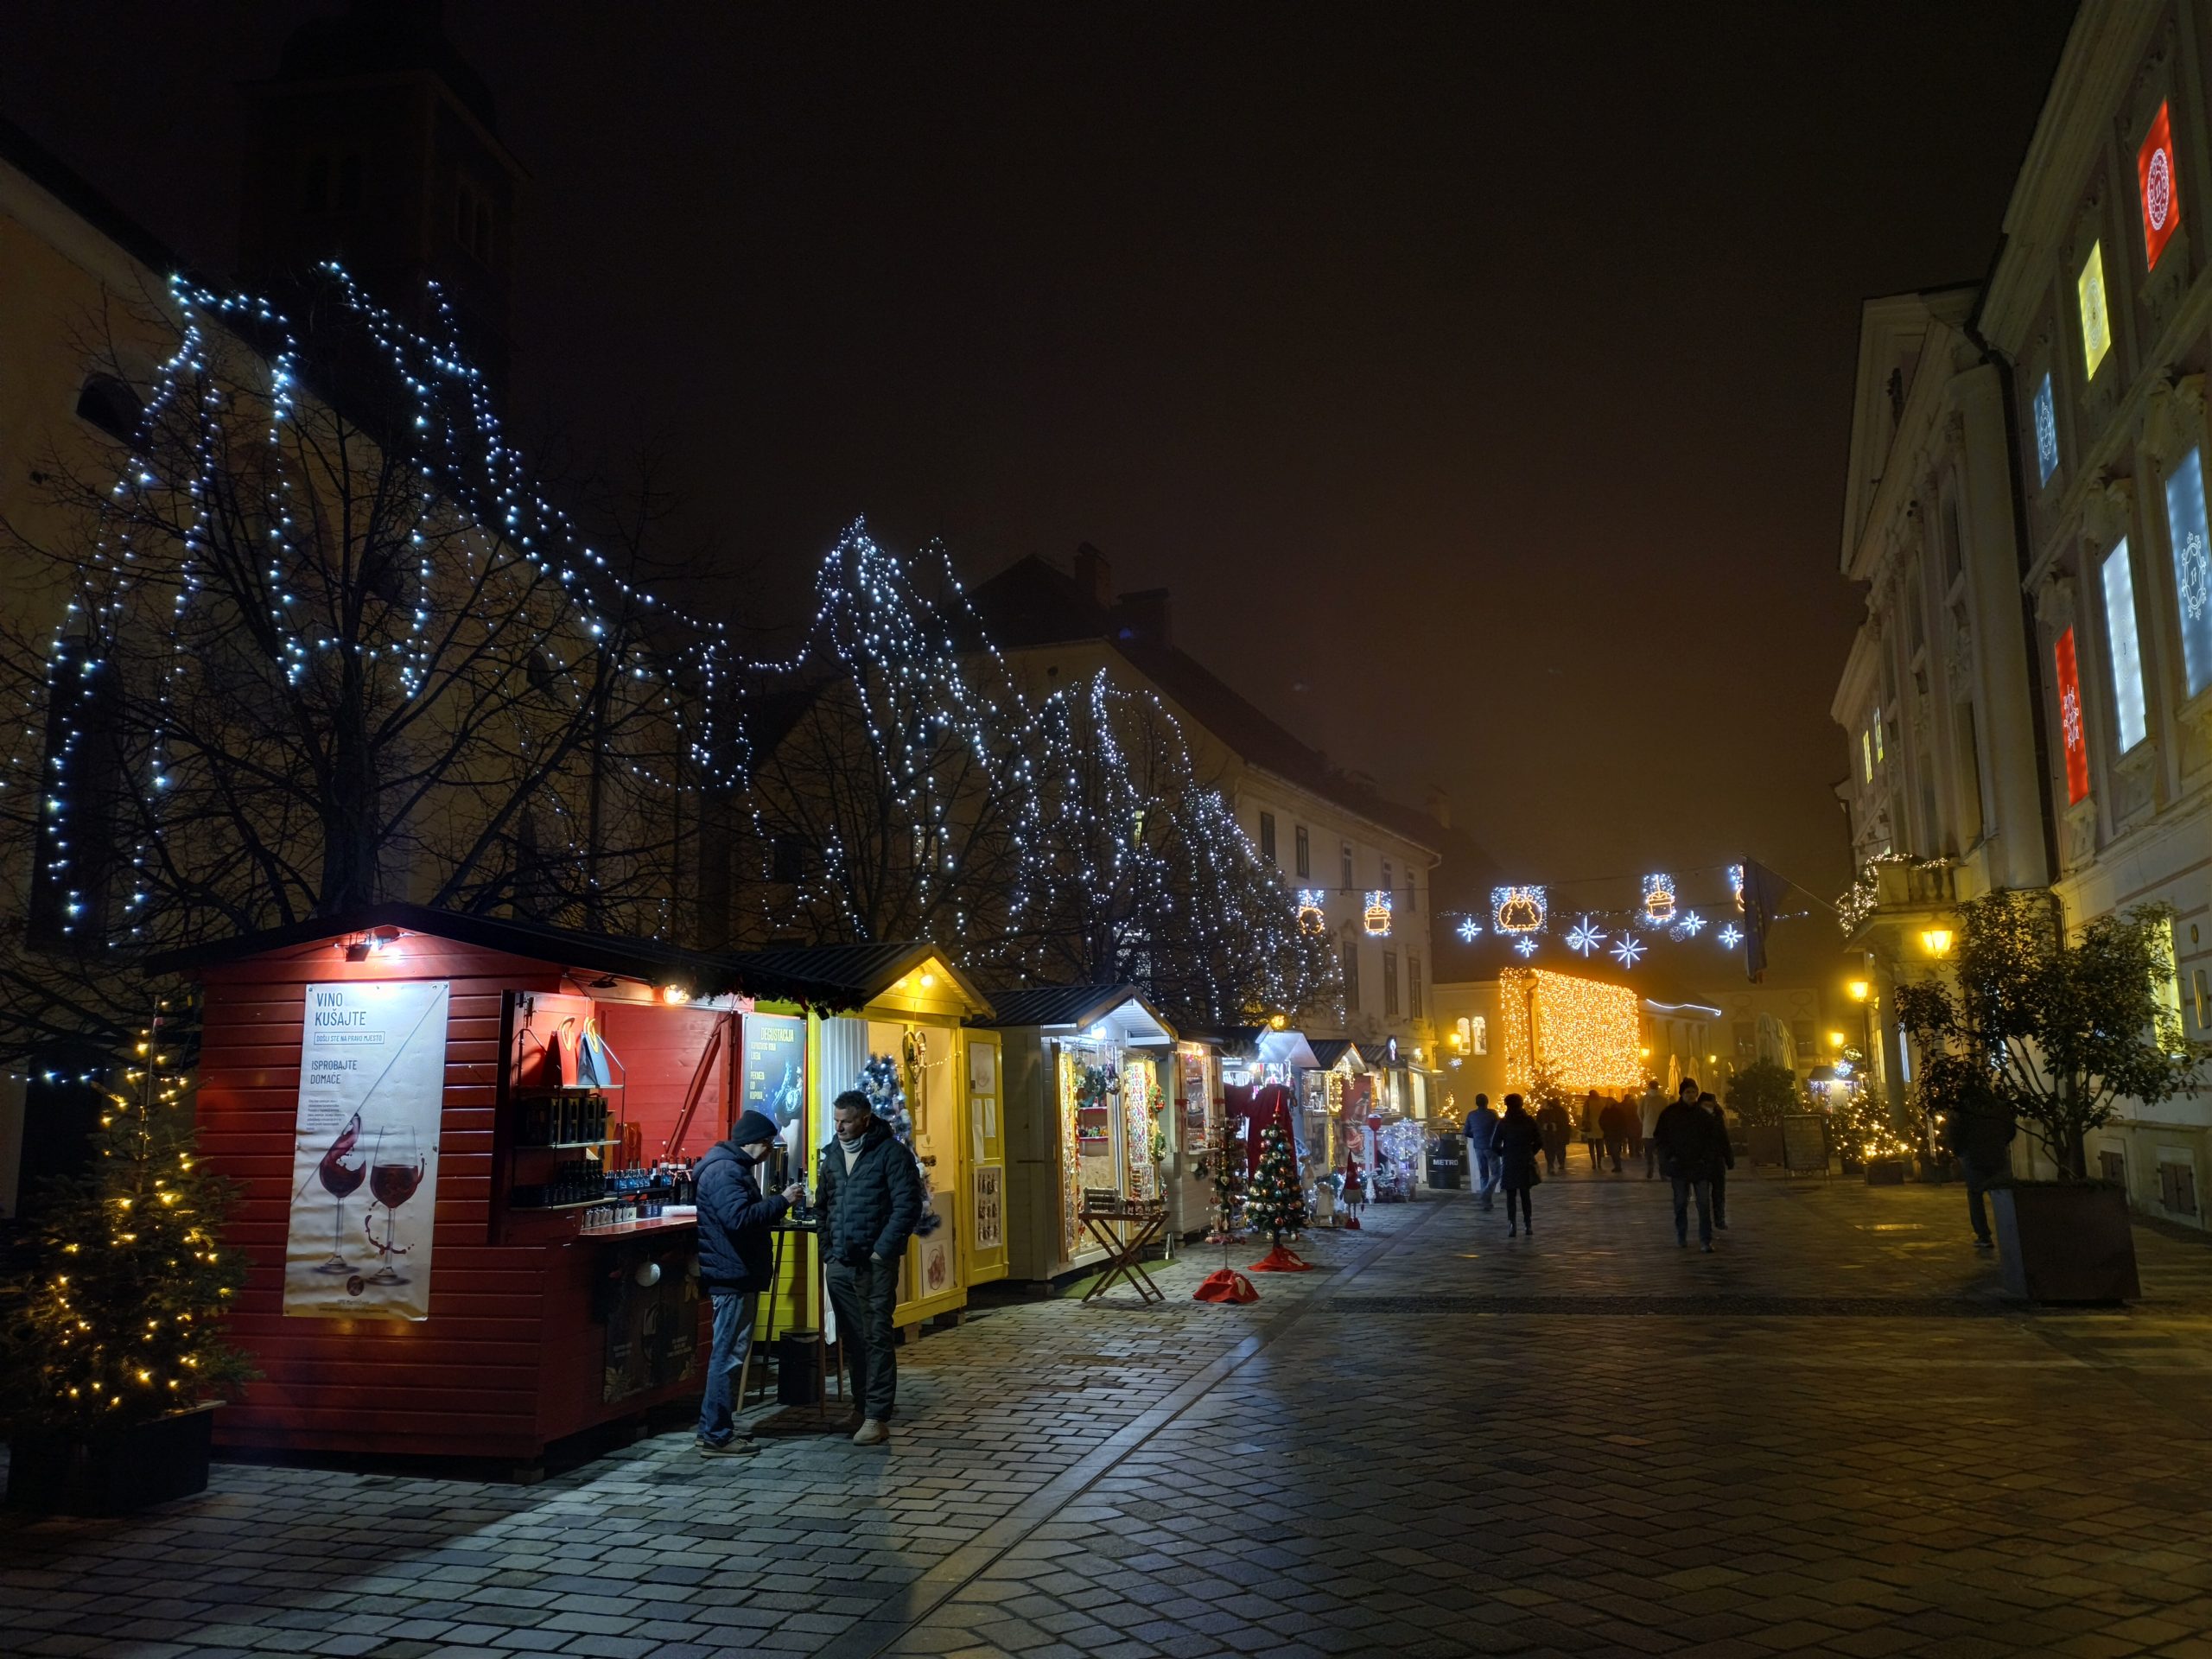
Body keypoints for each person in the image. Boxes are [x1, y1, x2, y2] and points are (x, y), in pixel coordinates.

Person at [694, 1109, 807, 1456]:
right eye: (770, 1145)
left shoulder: (725, 1167)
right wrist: (782, 1202)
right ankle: (716, 1435)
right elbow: (739, 1219)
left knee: (727, 1354)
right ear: (757, 1144)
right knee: (727, 1357)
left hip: (734, 1272)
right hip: (732, 1274)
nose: (771, 1151)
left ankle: (713, 1427)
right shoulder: (727, 1171)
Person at [817, 1088, 925, 1446]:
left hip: (873, 1264)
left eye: (846, 1121)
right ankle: (861, 1407)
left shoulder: (891, 1154)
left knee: (876, 1336)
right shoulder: (832, 1155)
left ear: (865, 1119)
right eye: (837, 1121)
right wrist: (828, 1250)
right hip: (840, 1263)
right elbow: (824, 1205)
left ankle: (877, 1415)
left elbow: (906, 1205)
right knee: (853, 1337)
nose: (840, 1128)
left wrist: (882, 1252)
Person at [1652, 1076, 1727, 1250]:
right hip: (1679, 1166)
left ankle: (1705, 1240)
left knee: (1703, 1204)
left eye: (1694, 1092)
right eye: (1688, 1092)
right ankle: (1681, 1235)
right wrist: (1669, 1157)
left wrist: (1706, 1159)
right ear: (1682, 1093)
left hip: (1700, 1166)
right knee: (1680, 1203)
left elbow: (1713, 1140)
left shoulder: (1703, 1116)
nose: (1691, 1095)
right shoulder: (1670, 1113)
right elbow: (1661, 1137)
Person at [1941, 1086, 2017, 1249]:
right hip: (1997, 1154)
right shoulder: (1998, 1107)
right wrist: (2000, 1143)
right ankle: (2009, 1232)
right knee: (2002, 1194)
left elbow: (1953, 1134)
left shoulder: (1961, 1110)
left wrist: (1959, 1151)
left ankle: (1984, 1235)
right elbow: (2010, 1129)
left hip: (1972, 1156)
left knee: (1975, 1195)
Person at [1493, 1094, 1543, 1236]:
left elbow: (1494, 1144)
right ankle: (1528, 1225)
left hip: (1510, 1160)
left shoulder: (1503, 1123)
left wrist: (1504, 1153)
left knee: (1511, 1195)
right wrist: (1530, 1152)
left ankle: (1512, 1224)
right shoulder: (1529, 1121)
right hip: (1525, 1159)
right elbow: (1539, 1140)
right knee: (1525, 1194)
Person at [1698, 1091, 1736, 1230]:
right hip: (1701, 1161)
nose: (1709, 1107)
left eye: (1711, 1104)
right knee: (1702, 1194)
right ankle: (1706, 1220)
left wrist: (1729, 1158)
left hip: (1717, 1160)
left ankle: (1720, 1219)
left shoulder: (1718, 1117)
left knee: (1719, 1191)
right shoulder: (1695, 1118)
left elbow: (1724, 1139)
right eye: (1705, 1104)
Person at [1465, 1094, 1501, 1211]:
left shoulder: (1471, 1115)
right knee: (1496, 1173)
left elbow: (1466, 1132)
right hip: (1490, 1146)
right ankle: (1486, 1194)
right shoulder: (1492, 1114)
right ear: (1487, 1102)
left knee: (1483, 1173)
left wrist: (1476, 1135)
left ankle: (1486, 1201)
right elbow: (1499, 1128)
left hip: (1478, 1146)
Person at [1637, 1079, 1668, 1179]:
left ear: (1649, 1087)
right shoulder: (1663, 1099)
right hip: (1660, 1131)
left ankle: (1650, 1169)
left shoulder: (1644, 1099)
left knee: (1649, 1153)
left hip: (1647, 1130)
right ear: (1657, 1087)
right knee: (1661, 1153)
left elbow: (1639, 1113)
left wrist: (1644, 1122)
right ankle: (1662, 1173)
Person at [1535, 1095, 1571, 1174]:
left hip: (1555, 1135)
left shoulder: (1556, 1111)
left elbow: (1563, 1122)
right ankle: (1552, 1165)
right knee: (1551, 1150)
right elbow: (1538, 1123)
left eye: (1544, 1104)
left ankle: (1554, 1165)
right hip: (1549, 1135)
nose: (1542, 1105)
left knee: (1554, 1150)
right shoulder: (1542, 1112)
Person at [1598, 1096, 1630, 1173]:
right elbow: (1601, 1121)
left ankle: (1618, 1166)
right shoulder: (1606, 1111)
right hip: (1610, 1134)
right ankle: (1617, 1165)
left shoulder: (1616, 1111)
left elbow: (1623, 1122)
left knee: (1615, 1150)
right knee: (1612, 1151)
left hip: (1615, 1134)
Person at [1580, 1090, 1605, 1168]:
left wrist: (1583, 1122)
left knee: (1591, 1146)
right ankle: (1599, 1163)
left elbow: (1584, 1115)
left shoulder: (1588, 1103)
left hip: (1590, 1127)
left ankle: (1593, 1163)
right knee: (1599, 1146)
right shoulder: (1601, 1102)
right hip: (1600, 1126)